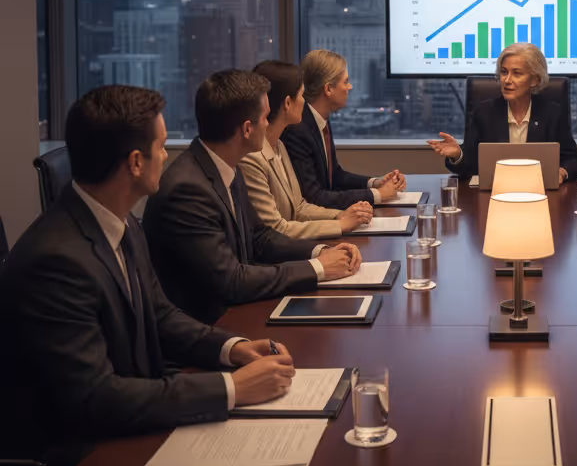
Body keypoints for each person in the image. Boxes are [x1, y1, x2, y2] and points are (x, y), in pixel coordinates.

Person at [0, 86, 298, 466]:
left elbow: (159, 314)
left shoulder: (119, 221)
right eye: (160, 146)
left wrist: (232, 348)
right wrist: (233, 390)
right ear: (136, 162)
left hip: (133, 421)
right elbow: (96, 398)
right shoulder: (55, 260)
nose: (167, 156)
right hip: (82, 461)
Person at [143, 70, 363, 325]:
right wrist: (319, 268)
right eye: (265, 117)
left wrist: (321, 251)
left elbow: (260, 237)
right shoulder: (187, 190)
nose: (269, 124)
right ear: (247, 129)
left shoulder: (224, 165)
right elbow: (232, 281)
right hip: (210, 328)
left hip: (240, 311)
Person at [239, 61, 374, 240]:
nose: (305, 101)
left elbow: (300, 207)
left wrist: (340, 215)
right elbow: (275, 230)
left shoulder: (278, 145)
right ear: (288, 103)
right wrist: (340, 224)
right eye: (302, 95)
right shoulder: (252, 157)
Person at [426, 42, 577, 182]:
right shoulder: (484, 112)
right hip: (494, 193)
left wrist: (562, 172)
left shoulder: (552, 113)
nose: (507, 80)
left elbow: (576, 161)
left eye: (517, 73)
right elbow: (471, 165)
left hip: (541, 193)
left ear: (534, 80)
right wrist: (457, 154)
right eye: (504, 72)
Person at [281, 49, 406, 210]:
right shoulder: (298, 130)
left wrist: (376, 183)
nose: (350, 86)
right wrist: (378, 195)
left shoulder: (320, 120)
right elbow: (314, 197)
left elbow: (335, 177)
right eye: (345, 81)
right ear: (328, 89)